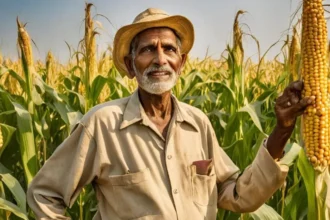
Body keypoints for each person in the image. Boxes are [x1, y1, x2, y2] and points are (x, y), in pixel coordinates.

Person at [27, 8, 313, 220]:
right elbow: (44, 195)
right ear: (130, 65)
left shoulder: (198, 124)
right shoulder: (101, 125)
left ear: (182, 61)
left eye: (169, 49)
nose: (160, 59)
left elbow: (237, 194)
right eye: (148, 49)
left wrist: (282, 129)